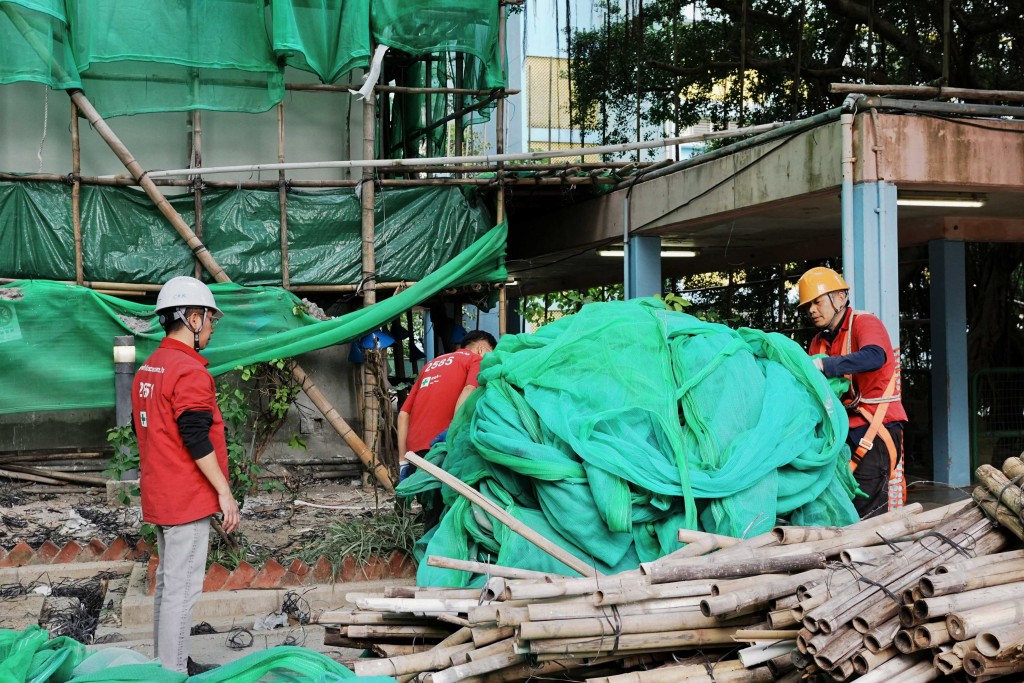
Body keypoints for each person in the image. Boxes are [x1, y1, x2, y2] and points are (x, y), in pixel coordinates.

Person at [132, 276, 240, 674]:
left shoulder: (149, 369)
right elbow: (195, 438)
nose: (212, 328)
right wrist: (224, 494)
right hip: (186, 498)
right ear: (193, 319)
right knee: (182, 589)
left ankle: (165, 663)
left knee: (167, 585)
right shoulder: (190, 372)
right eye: (210, 320)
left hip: (160, 494)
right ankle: (173, 673)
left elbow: (141, 429)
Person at [797, 266, 908, 519]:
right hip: (841, 429)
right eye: (807, 306)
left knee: (867, 504)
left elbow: (875, 355)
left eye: (816, 302)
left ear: (839, 297)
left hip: (875, 427)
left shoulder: (864, 322)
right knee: (839, 501)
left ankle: (869, 556)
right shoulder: (819, 342)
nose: (812, 310)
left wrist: (826, 365)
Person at [397, 330, 497, 485]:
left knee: (427, 503)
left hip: (414, 452)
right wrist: (454, 430)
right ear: (481, 349)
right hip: (442, 447)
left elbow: (403, 414)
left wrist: (402, 461)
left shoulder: (430, 365)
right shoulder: (476, 360)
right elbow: (469, 390)